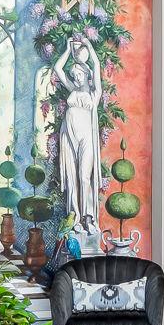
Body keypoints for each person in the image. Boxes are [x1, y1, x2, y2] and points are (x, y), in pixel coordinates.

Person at [53, 34, 104, 238]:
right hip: (69, 135)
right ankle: (75, 217)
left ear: (86, 74)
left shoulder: (94, 93)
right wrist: (67, 49)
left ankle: (88, 217)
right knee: (72, 177)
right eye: (74, 75)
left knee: (85, 176)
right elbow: (58, 69)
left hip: (86, 136)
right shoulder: (72, 89)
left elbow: (98, 65)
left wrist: (89, 47)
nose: (76, 78)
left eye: (79, 75)